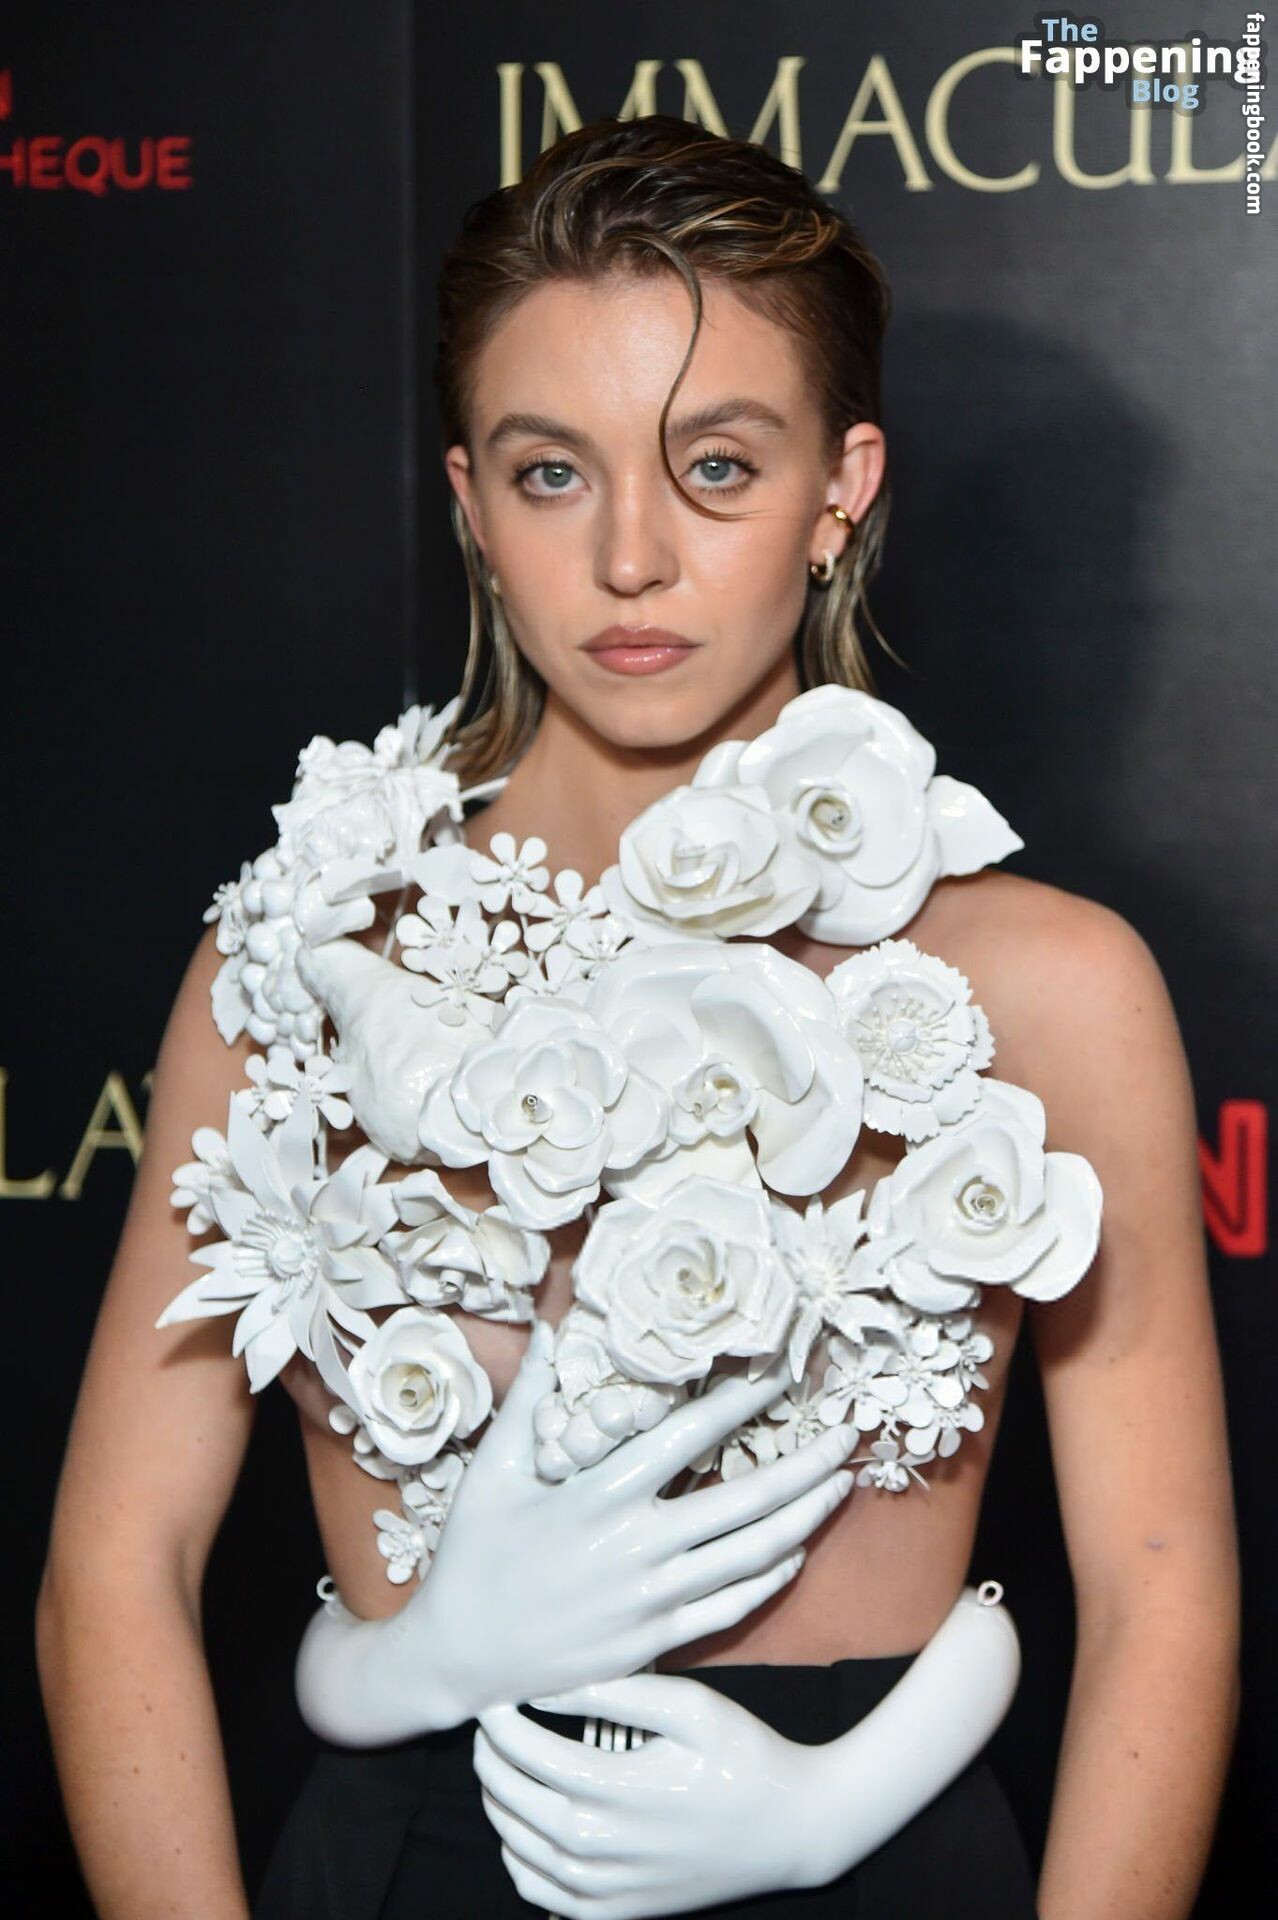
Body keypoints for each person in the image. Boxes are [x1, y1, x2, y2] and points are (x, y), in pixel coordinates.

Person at [36, 114, 1239, 1920]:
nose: (629, 557)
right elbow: (113, 1571)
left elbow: (1161, 1589)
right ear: (468, 502)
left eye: (716, 466)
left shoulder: (1048, 987)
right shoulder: (295, 964)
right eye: (551, 473)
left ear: (840, 488)